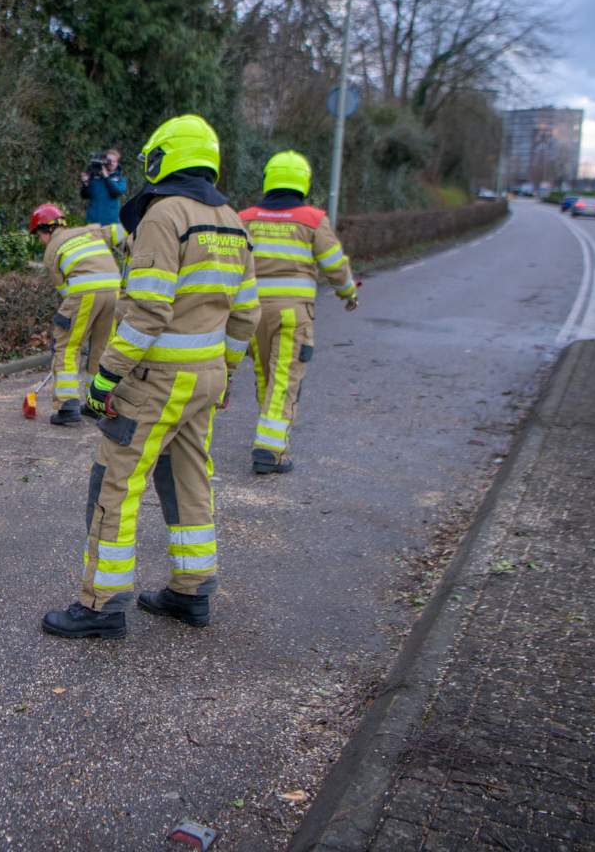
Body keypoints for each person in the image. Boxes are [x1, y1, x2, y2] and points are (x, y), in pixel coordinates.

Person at [42, 116, 260, 639]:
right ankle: (192, 591)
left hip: (157, 379)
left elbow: (146, 312)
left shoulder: (165, 216)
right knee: (189, 480)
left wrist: (104, 379)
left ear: (166, 158)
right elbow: (247, 314)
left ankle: (101, 605)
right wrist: (224, 374)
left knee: (116, 482)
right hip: (204, 380)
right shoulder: (233, 220)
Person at [237, 150, 358, 475]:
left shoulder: (246, 217)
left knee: (264, 374)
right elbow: (333, 263)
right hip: (293, 315)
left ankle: (269, 434)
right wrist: (348, 293)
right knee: (284, 378)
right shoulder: (312, 219)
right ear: (303, 182)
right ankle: (270, 450)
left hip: (252, 313)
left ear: (268, 180)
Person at [27, 203, 126, 425]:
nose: (41, 239)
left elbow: (64, 291)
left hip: (84, 293)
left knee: (67, 344)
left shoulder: (52, 250)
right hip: (113, 291)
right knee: (102, 347)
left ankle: (67, 405)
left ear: (46, 230)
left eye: (39, 235)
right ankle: (96, 403)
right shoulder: (90, 231)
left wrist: (75, 320)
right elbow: (122, 231)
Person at [79, 148, 128, 225]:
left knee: (121, 237)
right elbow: (84, 195)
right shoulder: (94, 176)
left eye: (114, 161)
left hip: (114, 221)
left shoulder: (121, 179)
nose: (111, 163)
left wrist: (106, 177)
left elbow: (117, 192)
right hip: (93, 222)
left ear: (117, 163)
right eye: (108, 160)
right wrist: (85, 184)